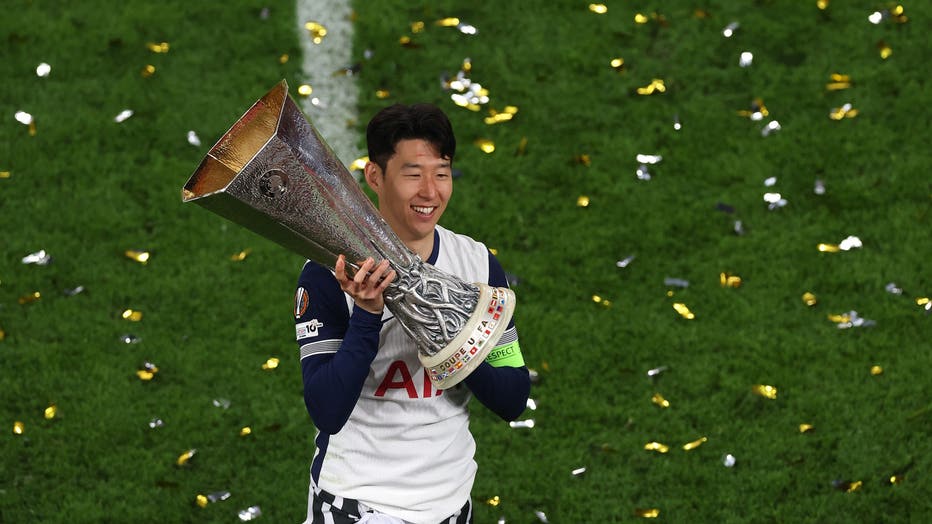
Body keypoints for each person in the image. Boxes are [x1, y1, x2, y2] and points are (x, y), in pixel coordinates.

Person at [294, 102, 531, 524]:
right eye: (412, 174)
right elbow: (327, 410)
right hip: (358, 504)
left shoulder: (476, 264)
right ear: (374, 177)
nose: (430, 191)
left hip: (451, 503)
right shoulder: (329, 273)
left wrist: (450, 342)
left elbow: (513, 396)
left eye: (441, 173)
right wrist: (367, 316)